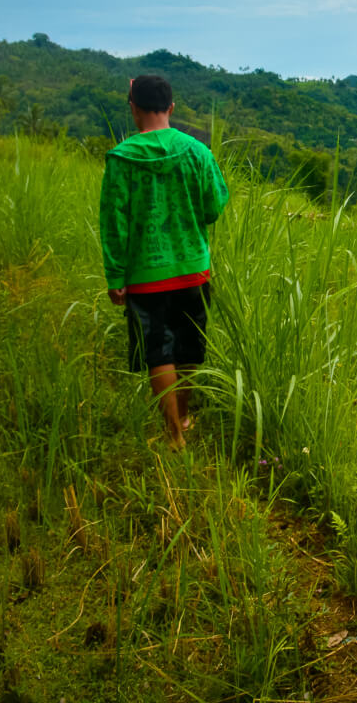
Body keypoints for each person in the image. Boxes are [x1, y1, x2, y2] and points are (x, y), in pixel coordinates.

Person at [98, 74, 229, 449]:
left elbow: (113, 222)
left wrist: (115, 274)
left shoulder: (121, 159)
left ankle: (173, 435)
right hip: (193, 269)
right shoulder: (198, 153)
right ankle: (185, 415)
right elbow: (213, 206)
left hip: (145, 276)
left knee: (159, 351)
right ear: (171, 108)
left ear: (134, 108)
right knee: (189, 348)